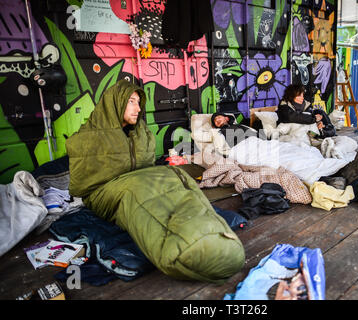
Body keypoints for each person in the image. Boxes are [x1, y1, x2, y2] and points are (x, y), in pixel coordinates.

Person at [65, 80, 245, 283]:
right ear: (115, 103)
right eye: (131, 101)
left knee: (175, 175)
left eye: (139, 102)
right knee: (139, 189)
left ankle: (212, 234)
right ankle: (183, 251)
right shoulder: (87, 138)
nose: (138, 108)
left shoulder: (142, 134)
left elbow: (147, 168)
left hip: (139, 183)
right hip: (105, 193)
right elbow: (81, 187)